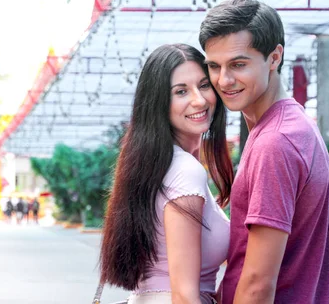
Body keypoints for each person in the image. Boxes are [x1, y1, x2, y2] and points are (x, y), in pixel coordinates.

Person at [199, 0, 329, 304]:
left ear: (274, 57)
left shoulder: (275, 142)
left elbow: (258, 284)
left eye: (238, 64)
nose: (224, 80)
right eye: (214, 66)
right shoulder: (295, 126)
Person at [99, 44, 234, 304]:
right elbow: (184, 295)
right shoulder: (185, 170)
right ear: (158, 103)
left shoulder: (151, 166)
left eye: (204, 85)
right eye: (181, 91)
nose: (199, 99)